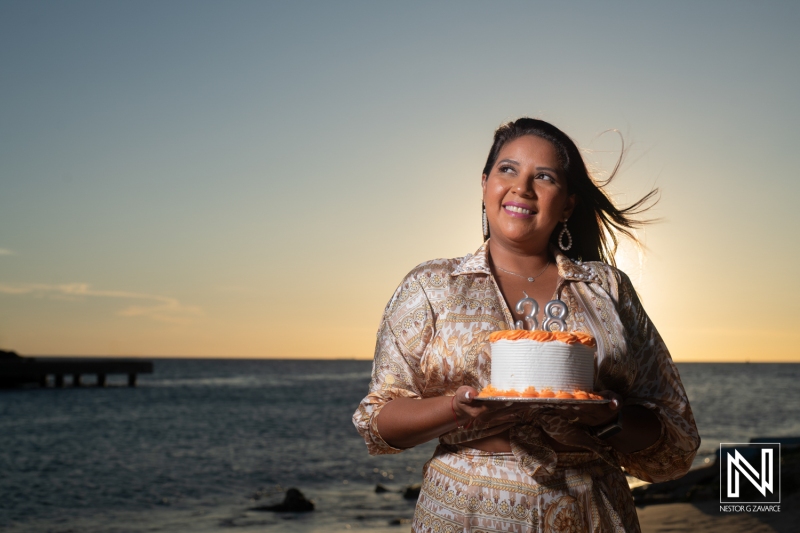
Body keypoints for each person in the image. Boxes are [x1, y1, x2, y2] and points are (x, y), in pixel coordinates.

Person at [352, 118, 699, 533]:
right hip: (467, 511)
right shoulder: (430, 286)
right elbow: (379, 423)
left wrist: (606, 418)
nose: (523, 187)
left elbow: (673, 439)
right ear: (484, 185)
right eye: (508, 169)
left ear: (568, 203)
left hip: (592, 511)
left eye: (545, 177)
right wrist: (455, 409)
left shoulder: (608, 288)